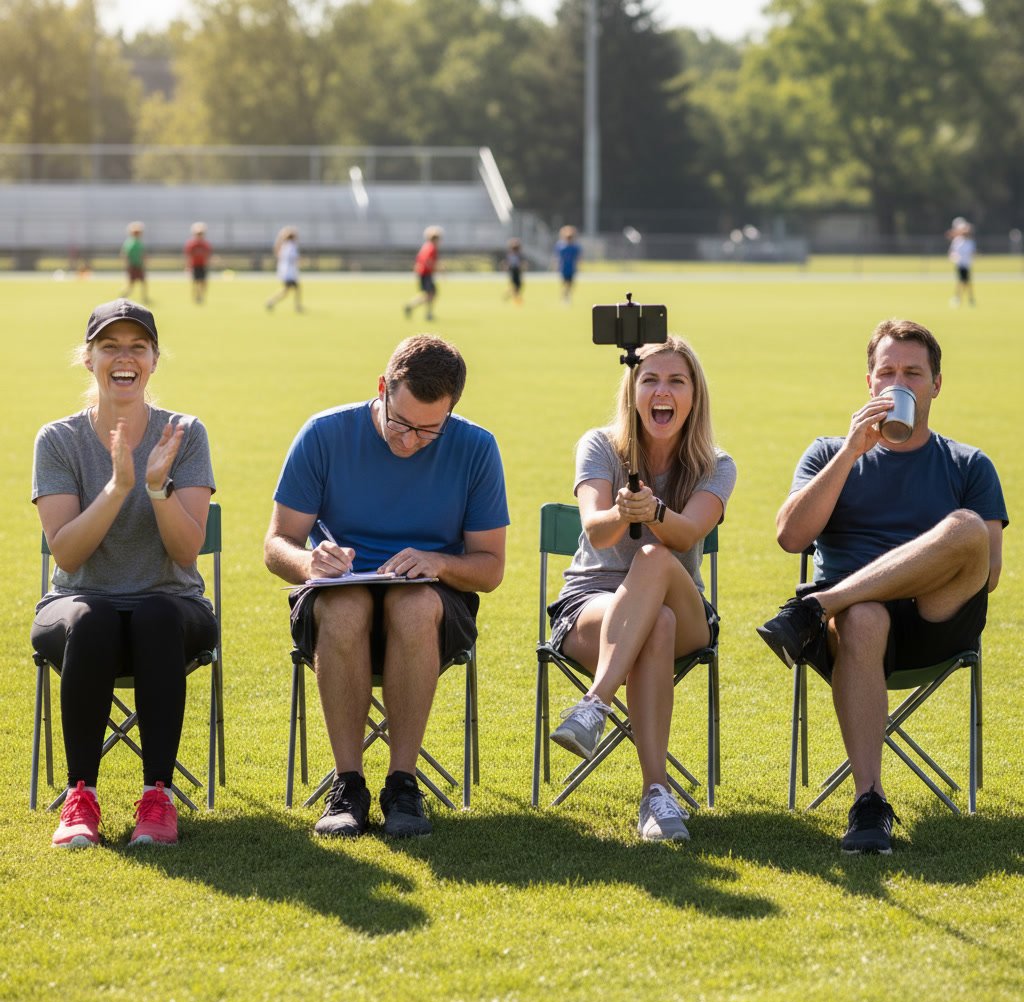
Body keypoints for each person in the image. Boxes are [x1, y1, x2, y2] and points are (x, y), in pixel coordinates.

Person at [756, 318, 1007, 855]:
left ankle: (819, 603)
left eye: (913, 373)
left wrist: (829, 601)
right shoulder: (827, 453)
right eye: (888, 371)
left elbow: (987, 570)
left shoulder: (969, 464)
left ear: (936, 383)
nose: (901, 383)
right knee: (864, 616)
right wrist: (851, 451)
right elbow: (790, 536)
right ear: (869, 383)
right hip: (852, 636)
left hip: (934, 619)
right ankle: (869, 801)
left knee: (965, 528)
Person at [264, 334, 509, 839]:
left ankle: (402, 782)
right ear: (382, 388)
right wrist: (311, 561)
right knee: (344, 604)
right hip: (337, 595)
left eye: (428, 431)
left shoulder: (476, 447)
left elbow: (490, 569)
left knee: (413, 603)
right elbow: (277, 544)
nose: (409, 441)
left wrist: (437, 562)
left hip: (432, 605)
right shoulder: (324, 434)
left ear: (451, 413)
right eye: (400, 423)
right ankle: (348, 783)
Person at [31, 299, 218, 849]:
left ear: (154, 360)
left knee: (156, 613)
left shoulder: (184, 434)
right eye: (110, 346)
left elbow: (186, 554)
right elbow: (66, 555)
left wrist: (156, 487)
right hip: (81, 608)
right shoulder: (59, 440)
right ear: (88, 358)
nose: (124, 357)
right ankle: (80, 797)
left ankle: (157, 797)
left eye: (137, 346)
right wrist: (117, 486)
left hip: (172, 608)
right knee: (94, 615)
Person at [547, 336, 736, 842]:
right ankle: (656, 795)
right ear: (633, 390)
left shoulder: (716, 464)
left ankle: (595, 704)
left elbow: (687, 533)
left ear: (694, 395)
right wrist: (621, 512)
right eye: (650, 379)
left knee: (655, 557)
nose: (662, 391)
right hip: (592, 602)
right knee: (657, 626)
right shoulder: (600, 445)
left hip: (683, 601)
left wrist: (652, 512)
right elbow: (596, 530)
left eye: (676, 381)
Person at [404, 226, 442, 321]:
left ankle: (417, 309)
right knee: (430, 294)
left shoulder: (426, 246)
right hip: (426, 274)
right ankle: (421, 311)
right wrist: (435, 268)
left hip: (423, 273)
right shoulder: (431, 248)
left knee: (430, 294)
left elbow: (419, 260)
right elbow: (427, 261)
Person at [266, 226, 303, 312]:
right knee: (293, 289)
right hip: (289, 272)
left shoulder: (284, 246)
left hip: (284, 271)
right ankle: (297, 307)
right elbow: (293, 258)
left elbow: (277, 253)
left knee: (287, 291)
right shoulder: (292, 246)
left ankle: (271, 302)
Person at [946, 216, 976, 307]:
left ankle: (969, 299)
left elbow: (972, 253)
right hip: (960, 264)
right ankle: (958, 298)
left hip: (967, 264)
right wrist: (954, 257)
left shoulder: (970, 242)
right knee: (960, 282)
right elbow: (952, 252)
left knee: (967, 282)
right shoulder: (957, 241)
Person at [184, 222, 213, 304]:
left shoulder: (205, 245)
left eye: (201, 233)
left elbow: (207, 255)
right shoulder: (191, 244)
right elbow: (188, 256)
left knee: (203, 282)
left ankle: (202, 296)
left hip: (203, 265)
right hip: (195, 265)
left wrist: (208, 264)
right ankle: (196, 296)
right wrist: (187, 266)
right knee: (195, 282)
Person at [121, 222, 149, 304]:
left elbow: (142, 253)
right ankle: (123, 296)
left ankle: (144, 298)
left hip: (139, 265)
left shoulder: (138, 242)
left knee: (143, 283)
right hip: (133, 266)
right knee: (130, 284)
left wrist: (144, 260)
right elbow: (125, 255)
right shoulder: (130, 243)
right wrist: (127, 266)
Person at [554, 225, 581, 304]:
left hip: (571, 268)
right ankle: (565, 296)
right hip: (564, 268)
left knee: (570, 284)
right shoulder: (561, 246)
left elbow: (578, 258)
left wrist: (579, 266)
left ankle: (567, 295)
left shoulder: (575, 247)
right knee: (564, 283)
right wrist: (556, 265)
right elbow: (557, 257)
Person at [502, 237, 526, 304]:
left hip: (517, 271)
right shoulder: (510, 254)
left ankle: (510, 296)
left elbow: (521, 262)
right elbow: (507, 262)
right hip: (513, 271)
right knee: (515, 286)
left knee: (518, 286)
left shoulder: (518, 254)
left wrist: (522, 267)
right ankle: (517, 299)